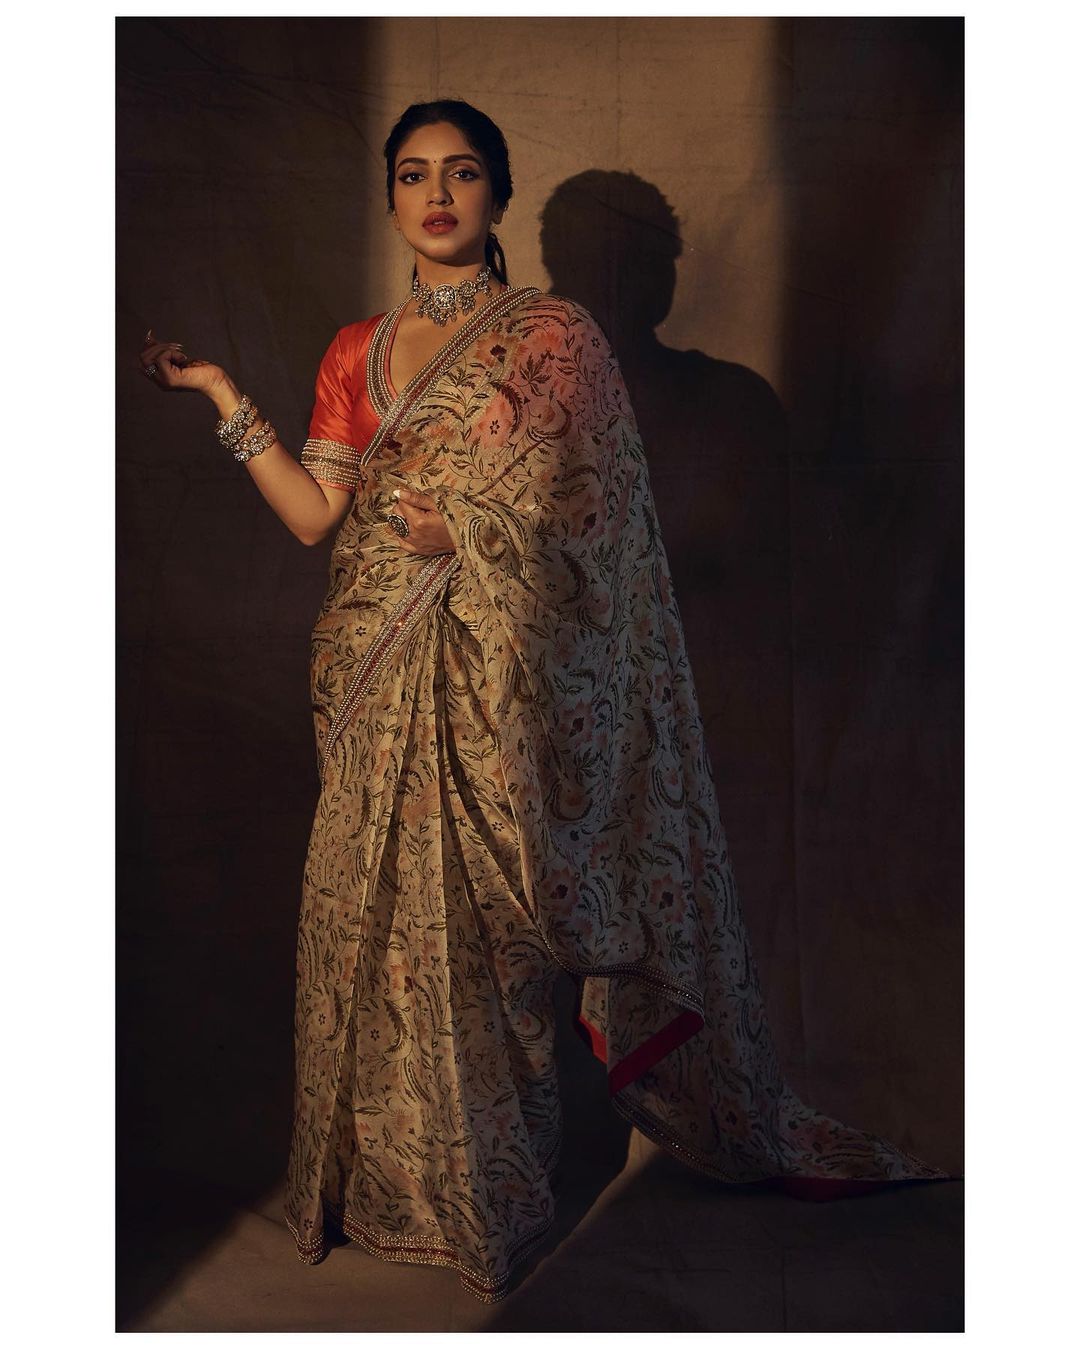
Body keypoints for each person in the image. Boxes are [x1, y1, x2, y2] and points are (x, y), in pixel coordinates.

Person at [137, 98, 949, 1305]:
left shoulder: (556, 341)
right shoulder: (355, 351)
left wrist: (466, 528)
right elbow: (316, 518)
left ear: (500, 196)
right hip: (372, 671)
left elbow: (601, 529)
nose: (438, 194)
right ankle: (393, 1189)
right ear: (391, 198)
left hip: (501, 682)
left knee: (486, 940)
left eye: (463, 172)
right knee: (379, 938)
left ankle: (492, 1197)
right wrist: (218, 393)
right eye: (414, 174)